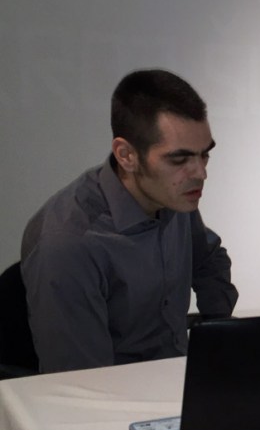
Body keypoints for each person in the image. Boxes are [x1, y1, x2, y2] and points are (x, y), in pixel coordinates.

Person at [21, 69, 238, 372]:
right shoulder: (69, 243)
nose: (200, 173)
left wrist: (219, 337)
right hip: (116, 393)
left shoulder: (172, 196)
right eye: (179, 159)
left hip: (177, 376)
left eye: (204, 155)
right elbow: (83, 382)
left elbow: (209, 260)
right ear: (126, 156)